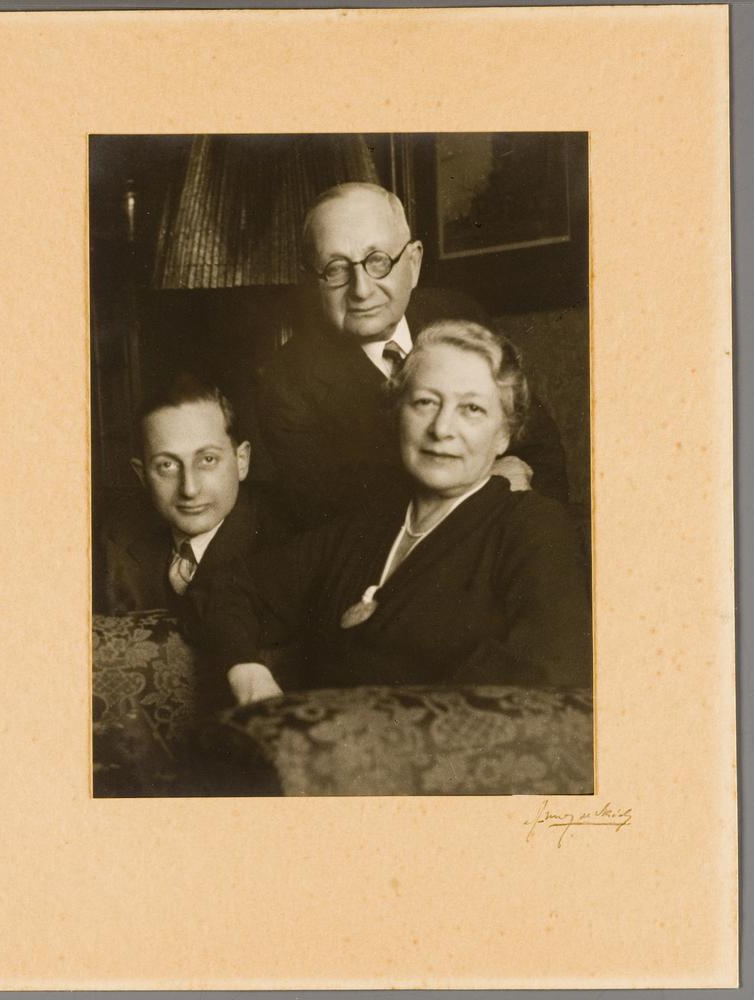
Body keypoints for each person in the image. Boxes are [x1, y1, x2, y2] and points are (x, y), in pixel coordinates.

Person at [203, 321, 591, 706]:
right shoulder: (363, 527)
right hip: (315, 741)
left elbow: (547, 674)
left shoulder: (531, 526)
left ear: (505, 434)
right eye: (425, 402)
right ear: (397, 413)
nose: (442, 428)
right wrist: (248, 673)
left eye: (471, 409)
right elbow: (228, 589)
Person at [257, 182, 569, 524]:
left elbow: (539, 446)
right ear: (313, 281)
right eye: (336, 268)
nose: (361, 290)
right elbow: (340, 522)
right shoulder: (285, 382)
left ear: (414, 262)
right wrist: (482, 490)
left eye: (378, 261)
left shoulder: (460, 316)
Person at [100, 373, 289, 616]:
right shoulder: (113, 541)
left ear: (241, 461)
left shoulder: (284, 546)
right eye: (167, 465)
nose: (189, 489)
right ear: (142, 474)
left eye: (208, 460)